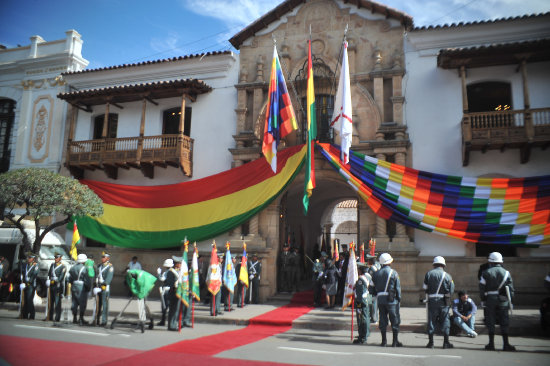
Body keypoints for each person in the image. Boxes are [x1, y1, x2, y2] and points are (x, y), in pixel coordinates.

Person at [479, 252, 516, 351]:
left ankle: (491, 344)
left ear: (490, 261)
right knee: (504, 321)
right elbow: (511, 289)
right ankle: (506, 344)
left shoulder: (485, 273)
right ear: (501, 261)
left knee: (490, 321)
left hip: (490, 300)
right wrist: (510, 300)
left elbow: (482, 289)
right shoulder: (506, 273)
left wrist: (483, 299)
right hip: (503, 300)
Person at [423, 256, 455, 349]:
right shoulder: (448, 276)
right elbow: (451, 290)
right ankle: (446, 343)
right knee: (445, 320)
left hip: (432, 301)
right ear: (443, 265)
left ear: (434, 264)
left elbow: (425, 288)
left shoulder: (428, 274)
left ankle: (431, 343)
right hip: (444, 302)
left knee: (431, 321)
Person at [372, 252, 402, 347]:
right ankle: (394, 341)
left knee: (383, 320)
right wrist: (399, 299)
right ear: (389, 262)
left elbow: (372, 289)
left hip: (381, 300)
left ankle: (384, 341)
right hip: (392, 300)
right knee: (394, 320)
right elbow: (398, 288)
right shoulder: (394, 273)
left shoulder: (376, 274)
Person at [68, 253, 92, 325]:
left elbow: (69, 279)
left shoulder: (72, 268)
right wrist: (88, 288)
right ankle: (81, 319)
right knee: (82, 303)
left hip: (74, 286)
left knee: (74, 303)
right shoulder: (85, 268)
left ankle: (74, 317)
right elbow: (87, 280)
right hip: (82, 287)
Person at [353, 262, 373, 344]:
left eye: (358, 269)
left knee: (361, 318)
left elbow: (360, 293)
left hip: (361, 301)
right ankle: (365, 334)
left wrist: (358, 304)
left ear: (360, 270)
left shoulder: (361, 280)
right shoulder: (368, 276)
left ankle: (363, 336)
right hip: (367, 299)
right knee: (366, 317)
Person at [46, 253, 67, 322]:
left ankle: (57, 318)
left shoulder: (63, 267)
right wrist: (48, 280)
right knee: (50, 301)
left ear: (60, 258)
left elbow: (61, 277)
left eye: (57, 258)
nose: (55, 259)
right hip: (51, 285)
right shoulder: (52, 265)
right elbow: (49, 274)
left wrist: (55, 281)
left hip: (58, 286)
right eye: (55, 258)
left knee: (57, 302)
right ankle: (50, 316)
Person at [95, 252, 114, 326]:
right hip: (98, 286)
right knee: (98, 304)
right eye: (102, 257)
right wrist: (95, 284)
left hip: (105, 288)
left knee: (104, 304)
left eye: (104, 257)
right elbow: (97, 275)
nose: (102, 258)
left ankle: (104, 321)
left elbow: (109, 277)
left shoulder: (110, 267)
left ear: (108, 258)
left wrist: (105, 284)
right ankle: (97, 319)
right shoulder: (99, 266)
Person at [20, 253, 39, 320]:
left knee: (29, 300)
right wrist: (22, 281)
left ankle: (32, 314)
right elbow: (23, 273)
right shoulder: (25, 265)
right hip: (25, 284)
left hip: (31, 285)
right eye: (28, 258)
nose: (28, 259)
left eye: (30, 258)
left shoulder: (35, 265)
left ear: (33, 259)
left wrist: (28, 282)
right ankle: (24, 314)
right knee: (25, 299)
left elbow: (34, 274)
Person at [156, 258, 173, 326]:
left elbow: (162, 279)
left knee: (164, 307)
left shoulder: (167, 272)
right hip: (171, 290)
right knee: (169, 307)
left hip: (166, 291)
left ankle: (163, 321)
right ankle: (169, 322)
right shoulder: (174, 271)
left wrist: (159, 273)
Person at [167, 256, 182, 330]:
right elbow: (169, 282)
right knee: (173, 309)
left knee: (176, 309)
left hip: (178, 292)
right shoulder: (171, 271)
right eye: (179, 263)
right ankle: (171, 325)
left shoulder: (179, 271)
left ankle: (173, 324)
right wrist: (175, 286)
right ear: (176, 264)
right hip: (173, 293)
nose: (180, 264)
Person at [366, 254, 380, 323]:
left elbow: (371, 278)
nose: (367, 261)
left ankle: (374, 318)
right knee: (374, 304)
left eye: (368, 260)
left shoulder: (372, 269)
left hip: (372, 288)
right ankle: (374, 318)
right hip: (376, 288)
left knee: (373, 304)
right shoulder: (377, 266)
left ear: (371, 261)